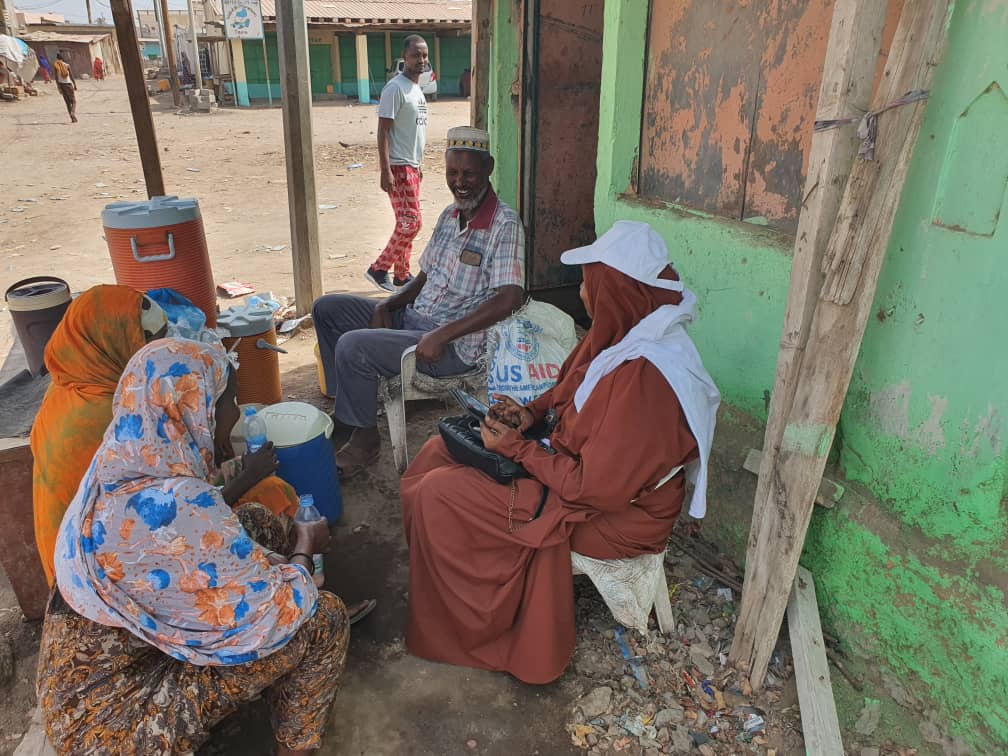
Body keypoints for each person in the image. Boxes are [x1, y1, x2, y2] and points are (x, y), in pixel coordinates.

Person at [400, 221, 721, 684]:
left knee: (439, 493)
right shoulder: (625, 330)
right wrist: (528, 415)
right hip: (576, 468)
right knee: (434, 453)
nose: (585, 296)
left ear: (618, 293)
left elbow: (594, 490)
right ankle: (439, 584)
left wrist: (519, 450)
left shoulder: (649, 379)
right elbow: (569, 387)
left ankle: (474, 632)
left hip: (612, 517)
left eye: (591, 285)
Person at [38, 339, 351, 754]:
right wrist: (304, 552)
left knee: (254, 519)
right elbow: (280, 617)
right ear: (192, 406)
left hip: (95, 685)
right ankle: (296, 748)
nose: (235, 416)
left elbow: (192, 536)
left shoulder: (122, 459)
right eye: (229, 402)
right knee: (322, 620)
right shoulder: (177, 504)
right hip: (109, 729)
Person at [31, 285, 299, 585]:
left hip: (94, 555)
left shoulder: (71, 384)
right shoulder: (115, 419)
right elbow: (173, 524)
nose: (158, 353)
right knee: (270, 495)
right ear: (116, 344)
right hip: (111, 575)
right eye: (148, 343)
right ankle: (284, 579)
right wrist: (248, 477)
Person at [313, 126, 525, 478]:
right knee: (327, 308)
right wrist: (389, 304)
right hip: (413, 321)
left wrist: (443, 335)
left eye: (469, 173)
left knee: (354, 346)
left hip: (449, 348)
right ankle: (348, 416)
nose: (460, 182)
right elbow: (425, 276)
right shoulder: (449, 216)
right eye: (452, 173)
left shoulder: (505, 224)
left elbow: (509, 298)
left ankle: (366, 441)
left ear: (488, 168)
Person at [365, 34, 430, 292]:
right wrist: (386, 169)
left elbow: (413, 131)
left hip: (412, 165)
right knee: (411, 222)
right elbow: (383, 131)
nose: (421, 60)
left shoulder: (416, 89)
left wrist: (419, 165)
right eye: (416, 55)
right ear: (404, 58)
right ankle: (379, 269)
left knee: (406, 221)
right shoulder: (395, 88)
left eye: (424, 55)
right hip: (398, 166)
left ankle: (402, 275)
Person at [52, 53, 77, 123]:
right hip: (68, 84)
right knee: (74, 101)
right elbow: (71, 76)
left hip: (61, 85)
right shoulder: (67, 65)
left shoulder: (56, 66)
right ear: (63, 58)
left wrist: (58, 87)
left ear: (57, 59)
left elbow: (56, 78)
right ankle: (73, 113)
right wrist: (75, 84)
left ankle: (72, 119)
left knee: (67, 102)